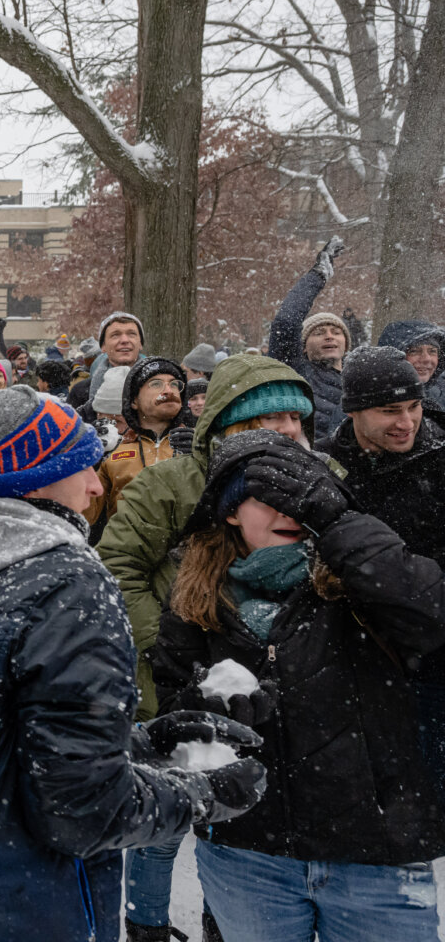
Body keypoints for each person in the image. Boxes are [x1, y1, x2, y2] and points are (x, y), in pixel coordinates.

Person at [0, 381, 266, 942]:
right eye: (80, 467)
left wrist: (140, 742)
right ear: (29, 476)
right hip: (30, 909)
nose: (93, 487)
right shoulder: (68, 584)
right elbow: (85, 814)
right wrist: (202, 795)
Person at [150, 430, 445, 942]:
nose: (288, 511)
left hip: (374, 854)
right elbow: (171, 715)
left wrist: (340, 521)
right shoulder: (195, 596)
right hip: (247, 854)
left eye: (300, 497)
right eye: (266, 498)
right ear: (229, 512)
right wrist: (202, 713)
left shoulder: (359, 575)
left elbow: (428, 612)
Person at [97, 356, 318, 939]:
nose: (288, 429)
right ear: (228, 426)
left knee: (248, 817)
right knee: (165, 823)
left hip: (282, 696)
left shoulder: (326, 479)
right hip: (178, 686)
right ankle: (146, 925)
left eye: (296, 417)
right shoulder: (173, 481)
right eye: (268, 418)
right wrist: (175, 648)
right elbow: (118, 566)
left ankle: (226, 922)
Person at [315, 345, 445, 780]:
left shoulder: (440, 459)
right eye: (390, 410)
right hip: (349, 657)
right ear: (354, 411)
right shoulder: (323, 465)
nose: (406, 422)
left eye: (414, 407)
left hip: (432, 659)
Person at [85, 358, 191, 531]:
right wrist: (89, 461)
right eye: (156, 384)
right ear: (134, 401)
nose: (168, 390)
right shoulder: (115, 452)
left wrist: (204, 459)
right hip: (126, 553)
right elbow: (83, 514)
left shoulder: (198, 445)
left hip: (189, 555)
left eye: (174, 384)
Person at [268, 238, 349, 439]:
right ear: (303, 347)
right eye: (319, 333)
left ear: (346, 344)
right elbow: (286, 324)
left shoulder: (362, 378)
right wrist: (318, 276)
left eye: (336, 332)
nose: (329, 336)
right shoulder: (296, 373)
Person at [378, 319, 445, 411]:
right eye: (414, 351)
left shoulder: (441, 392)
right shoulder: (372, 397)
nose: (427, 359)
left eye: (432, 351)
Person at [86, 311, 146, 398]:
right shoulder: (81, 392)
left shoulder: (162, 386)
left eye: (131, 334)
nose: (124, 340)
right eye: (115, 335)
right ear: (103, 346)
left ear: (140, 344)